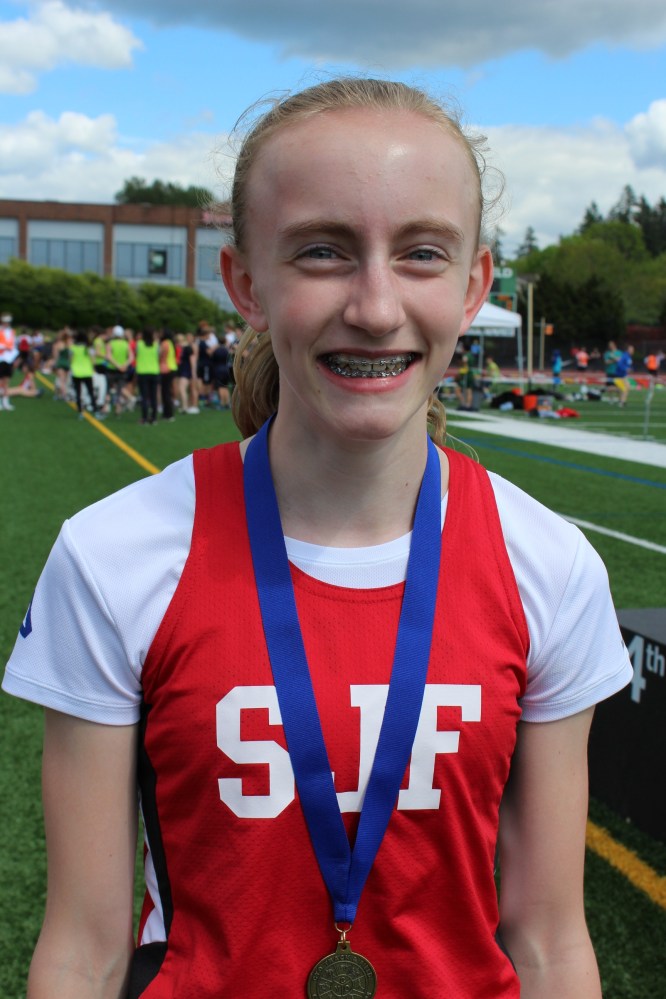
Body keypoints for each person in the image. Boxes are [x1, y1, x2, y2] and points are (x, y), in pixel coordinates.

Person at [2, 78, 632, 999]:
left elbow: (547, 942)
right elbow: (82, 953)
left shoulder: (552, 565)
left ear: (473, 287)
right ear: (245, 283)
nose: (375, 307)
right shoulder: (112, 556)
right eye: (323, 252)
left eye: (421, 253)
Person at [0, 311, 18, 411]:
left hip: (9, 359)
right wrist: (4, 347)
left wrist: (14, 357)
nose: (6, 323)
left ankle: (5, 402)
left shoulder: (11, 332)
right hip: (1, 358)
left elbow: (14, 345)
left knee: (6, 381)